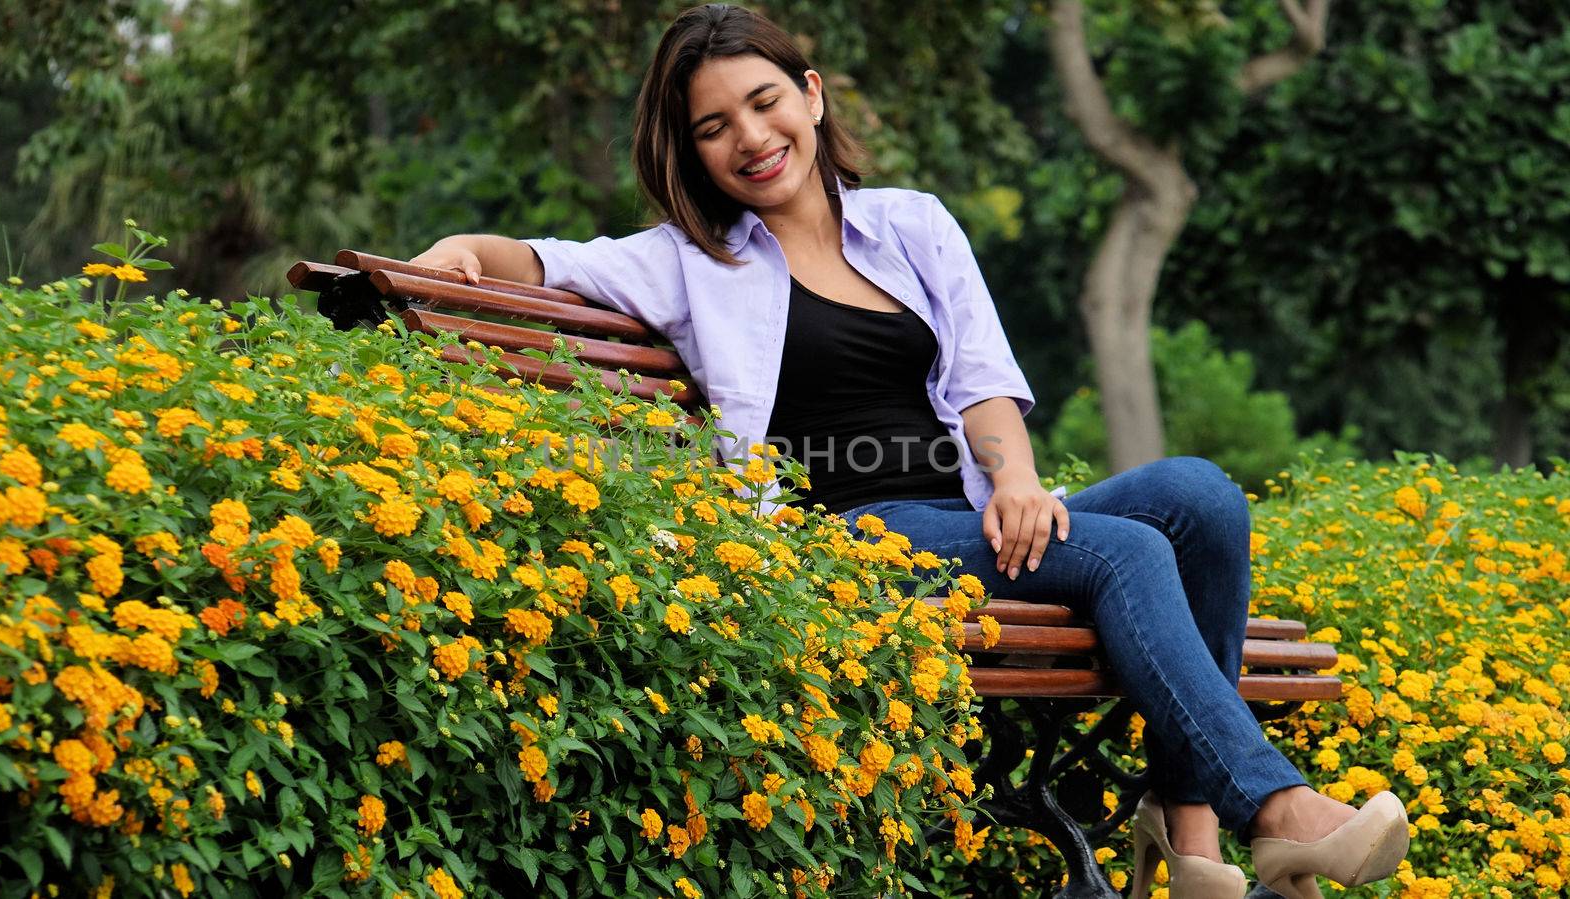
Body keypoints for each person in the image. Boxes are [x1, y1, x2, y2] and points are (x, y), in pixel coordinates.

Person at [409, 5, 1409, 897]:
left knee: (1199, 496)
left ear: (809, 94)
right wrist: (462, 247)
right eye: (714, 127)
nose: (750, 138)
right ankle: (1271, 812)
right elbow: (543, 260)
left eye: (764, 103)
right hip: (852, 536)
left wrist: (1016, 477)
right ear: (691, 151)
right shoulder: (685, 261)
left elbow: (981, 378)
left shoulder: (908, 223)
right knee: (1129, 551)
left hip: (968, 512)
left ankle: (1188, 832)